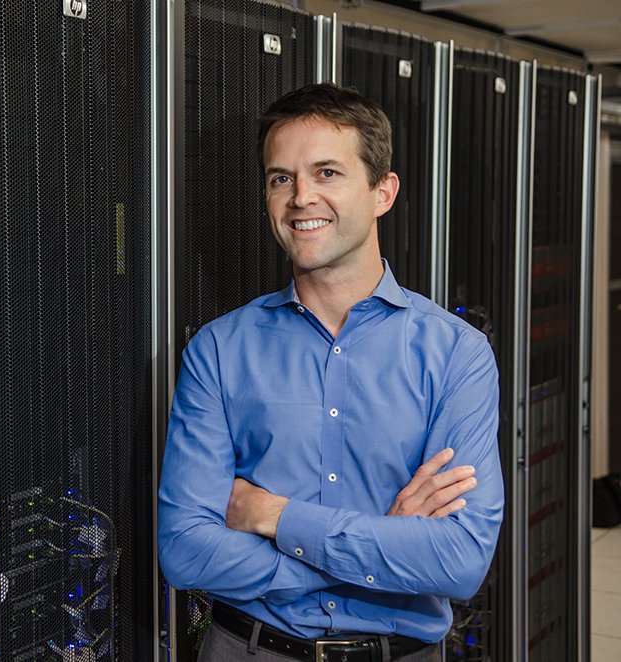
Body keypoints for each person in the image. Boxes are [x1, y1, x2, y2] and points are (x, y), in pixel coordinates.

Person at [157, 83, 503, 662]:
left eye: (327, 173)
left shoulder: (456, 354)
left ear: (382, 192)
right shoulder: (218, 351)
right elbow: (186, 552)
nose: (300, 198)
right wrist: (382, 546)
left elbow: (459, 560)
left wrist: (277, 517)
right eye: (280, 178)